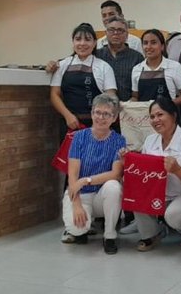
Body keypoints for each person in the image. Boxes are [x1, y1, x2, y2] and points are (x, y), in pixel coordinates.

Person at [61, 93, 126, 255]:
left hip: (101, 196)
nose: (101, 117)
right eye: (97, 112)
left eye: (106, 114)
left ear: (114, 118)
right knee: (77, 229)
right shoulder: (79, 137)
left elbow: (116, 174)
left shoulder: (119, 141)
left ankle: (109, 235)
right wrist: (76, 205)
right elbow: (73, 178)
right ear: (92, 114)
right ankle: (80, 231)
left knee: (114, 186)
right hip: (80, 195)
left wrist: (86, 180)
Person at [133, 96, 181, 251]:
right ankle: (152, 234)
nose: (156, 120)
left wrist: (177, 170)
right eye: (152, 117)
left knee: (175, 215)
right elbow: (143, 174)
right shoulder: (150, 140)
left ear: (174, 115)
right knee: (135, 195)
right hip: (157, 195)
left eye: (160, 115)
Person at [50, 23, 117, 132]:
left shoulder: (104, 67)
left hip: (97, 124)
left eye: (87, 39)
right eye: (78, 39)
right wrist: (68, 116)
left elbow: (111, 96)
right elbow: (54, 94)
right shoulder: (62, 65)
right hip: (69, 123)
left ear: (95, 43)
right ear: (73, 42)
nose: (82, 43)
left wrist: (102, 120)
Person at [131, 29, 181, 105]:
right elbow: (135, 96)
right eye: (145, 43)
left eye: (153, 43)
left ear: (162, 46)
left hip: (168, 114)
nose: (148, 47)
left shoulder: (174, 66)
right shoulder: (137, 69)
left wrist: (169, 105)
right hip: (144, 115)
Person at [97, 16, 144, 102]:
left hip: (129, 107)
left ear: (127, 35)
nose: (115, 33)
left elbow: (141, 87)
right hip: (101, 109)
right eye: (111, 30)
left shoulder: (137, 57)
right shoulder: (97, 55)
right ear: (106, 33)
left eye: (120, 30)